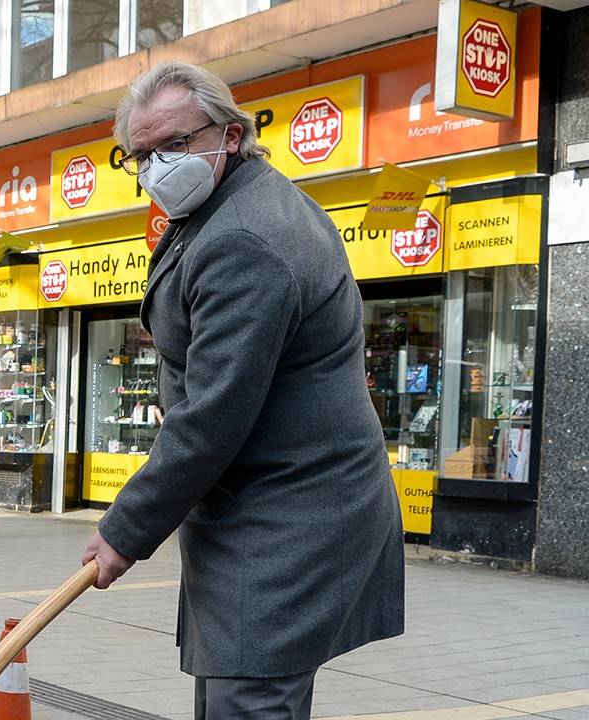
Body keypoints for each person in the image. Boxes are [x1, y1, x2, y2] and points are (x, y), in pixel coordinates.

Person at [82, 62, 402, 720]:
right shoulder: (224, 206)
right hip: (264, 506)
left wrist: (126, 530)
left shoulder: (245, 238)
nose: (156, 167)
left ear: (230, 135)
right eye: (140, 155)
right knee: (234, 687)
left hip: (290, 514)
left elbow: (212, 417)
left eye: (174, 144)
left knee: (246, 697)